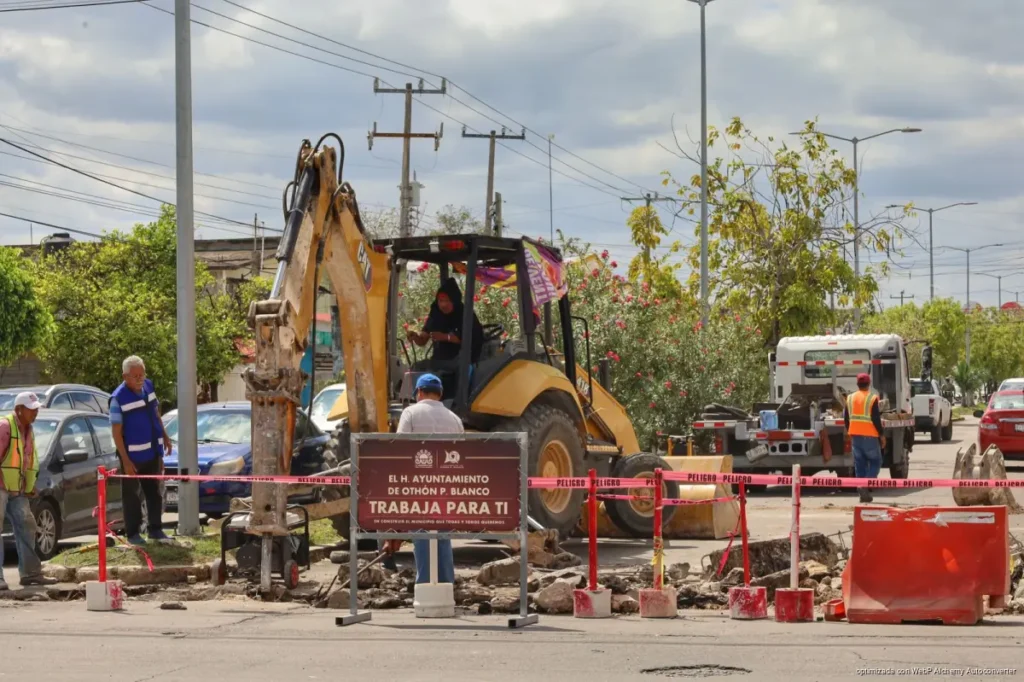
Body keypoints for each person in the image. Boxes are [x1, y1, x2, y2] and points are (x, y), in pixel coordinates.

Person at [385, 373, 463, 584]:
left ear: (419, 392)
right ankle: (446, 585)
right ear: (440, 394)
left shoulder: (410, 413)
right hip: (447, 488)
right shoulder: (455, 419)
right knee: (443, 538)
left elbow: (401, 451)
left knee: (422, 536)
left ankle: (426, 587)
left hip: (418, 487)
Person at [110, 355, 174, 545]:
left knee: (154, 492)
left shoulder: (148, 386)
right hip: (132, 456)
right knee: (132, 495)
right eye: (135, 376)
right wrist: (126, 460)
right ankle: (133, 534)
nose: (140, 379)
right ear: (125, 376)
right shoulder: (118, 398)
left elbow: (155, 413)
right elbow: (116, 432)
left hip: (152, 451)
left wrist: (165, 436)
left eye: (142, 374)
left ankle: (156, 530)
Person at [0, 392, 59, 589]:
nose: (35, 412)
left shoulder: (28, 429)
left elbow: (27, 461)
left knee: (27, 526)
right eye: (31, 409)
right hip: (1, 487)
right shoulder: (5, 427)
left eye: (36, 409)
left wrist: (29, 485)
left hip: (16, 489)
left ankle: (30, 573)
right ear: (19, 410)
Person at [407, 278, 484, 372]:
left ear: (454, 301)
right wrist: (415, 337)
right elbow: (422, 340)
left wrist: (445, 337)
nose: (443, 305)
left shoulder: (464, 314)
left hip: (460, 362)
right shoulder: (436, 314)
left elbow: (469, 340)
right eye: (440, 301)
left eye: (447, 301)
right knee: (416, 368)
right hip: (439, 361)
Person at [844, 373, 886, 503]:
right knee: (876, 461)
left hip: (855, 437)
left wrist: (850, 431)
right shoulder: (872, 398)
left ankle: (863, 493)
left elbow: (846, 419)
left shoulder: (850, 398)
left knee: (859, 464)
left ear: (857, 384)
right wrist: (881, 435)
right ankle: (864, 486)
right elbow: (876, 419)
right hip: (870, 436)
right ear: (869, 384)